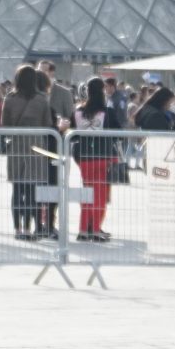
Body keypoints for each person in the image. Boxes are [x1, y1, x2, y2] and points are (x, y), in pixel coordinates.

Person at [0, 64, 57, 240]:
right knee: (32, 190)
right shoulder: (41, 99)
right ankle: (28, 228)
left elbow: (5, 124)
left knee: (17, 189)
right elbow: (47, 124)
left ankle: (18, 229)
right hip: (36, 147)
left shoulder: (10, 98)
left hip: (16, 146)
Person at [71, 76, 119, 243]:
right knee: (99, 194)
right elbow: (118, 133)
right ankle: (96, 229)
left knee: (87, 192)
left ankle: (83, 229)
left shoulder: (78, 112)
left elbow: (71, 134)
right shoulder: (108, 112)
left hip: (83, 157)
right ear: (102, 91)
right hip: (103, 156)